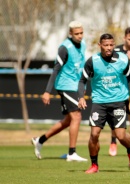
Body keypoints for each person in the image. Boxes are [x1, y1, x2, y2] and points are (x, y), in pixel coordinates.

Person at [77, 33, 130, 173]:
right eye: (106, 45)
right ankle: (94, 165)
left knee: (121, 136)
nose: (109, 48)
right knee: (94, 134)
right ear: (100, 45)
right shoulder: (92, 61)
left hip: (118, 101)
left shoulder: (123, 60)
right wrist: (81, 96)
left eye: (111, 45)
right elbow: (82, 80)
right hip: (99, 102)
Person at [31, 21, 87, 162]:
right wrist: (47, 91)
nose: (80, 36)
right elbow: (56, 69)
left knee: (69, 120)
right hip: (65, 85)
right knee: (77, 116)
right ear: (70, 33)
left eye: (81, 33)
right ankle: (72, 153)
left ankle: (40, 140)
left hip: (75, 85)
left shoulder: (84, 44)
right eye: (76, 34)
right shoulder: (64, 48)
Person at [108, 27, 130, 156]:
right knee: (115, 120)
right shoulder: (115, 51)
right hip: (118, 90)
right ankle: (113, 141)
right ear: (124, 38)